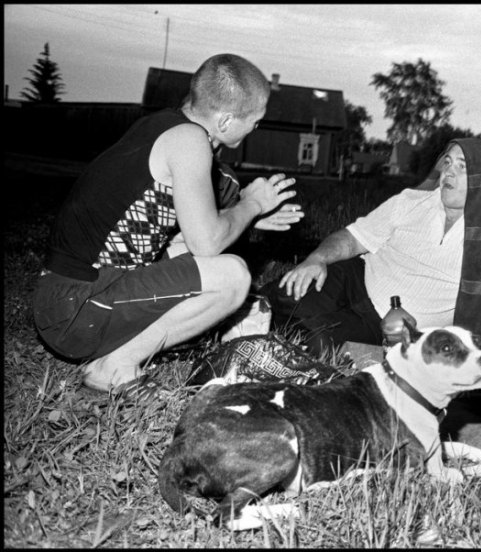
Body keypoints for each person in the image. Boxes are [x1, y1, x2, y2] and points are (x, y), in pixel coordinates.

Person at [33, 53, 304, 400]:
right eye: (255, 120)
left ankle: (118, 353)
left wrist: (251, 218)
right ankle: (112, 368)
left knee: (189, 251)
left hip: (64, 299)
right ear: (225, 122)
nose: (256, 128)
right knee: (233, 276)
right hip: (76, 308)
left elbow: (184, 231)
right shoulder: (190, 142)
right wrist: (252, 203)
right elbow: (207, 243)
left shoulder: (164, 125)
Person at [260, 137, 481, 369]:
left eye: (462, 167)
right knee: (280, 296)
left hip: (393, 329)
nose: (448, 172)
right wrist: (316, 259)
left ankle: (290, 347)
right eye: (447, 162)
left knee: (320, 344)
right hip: (356, 278)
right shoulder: (411, 201)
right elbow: (354, 238)